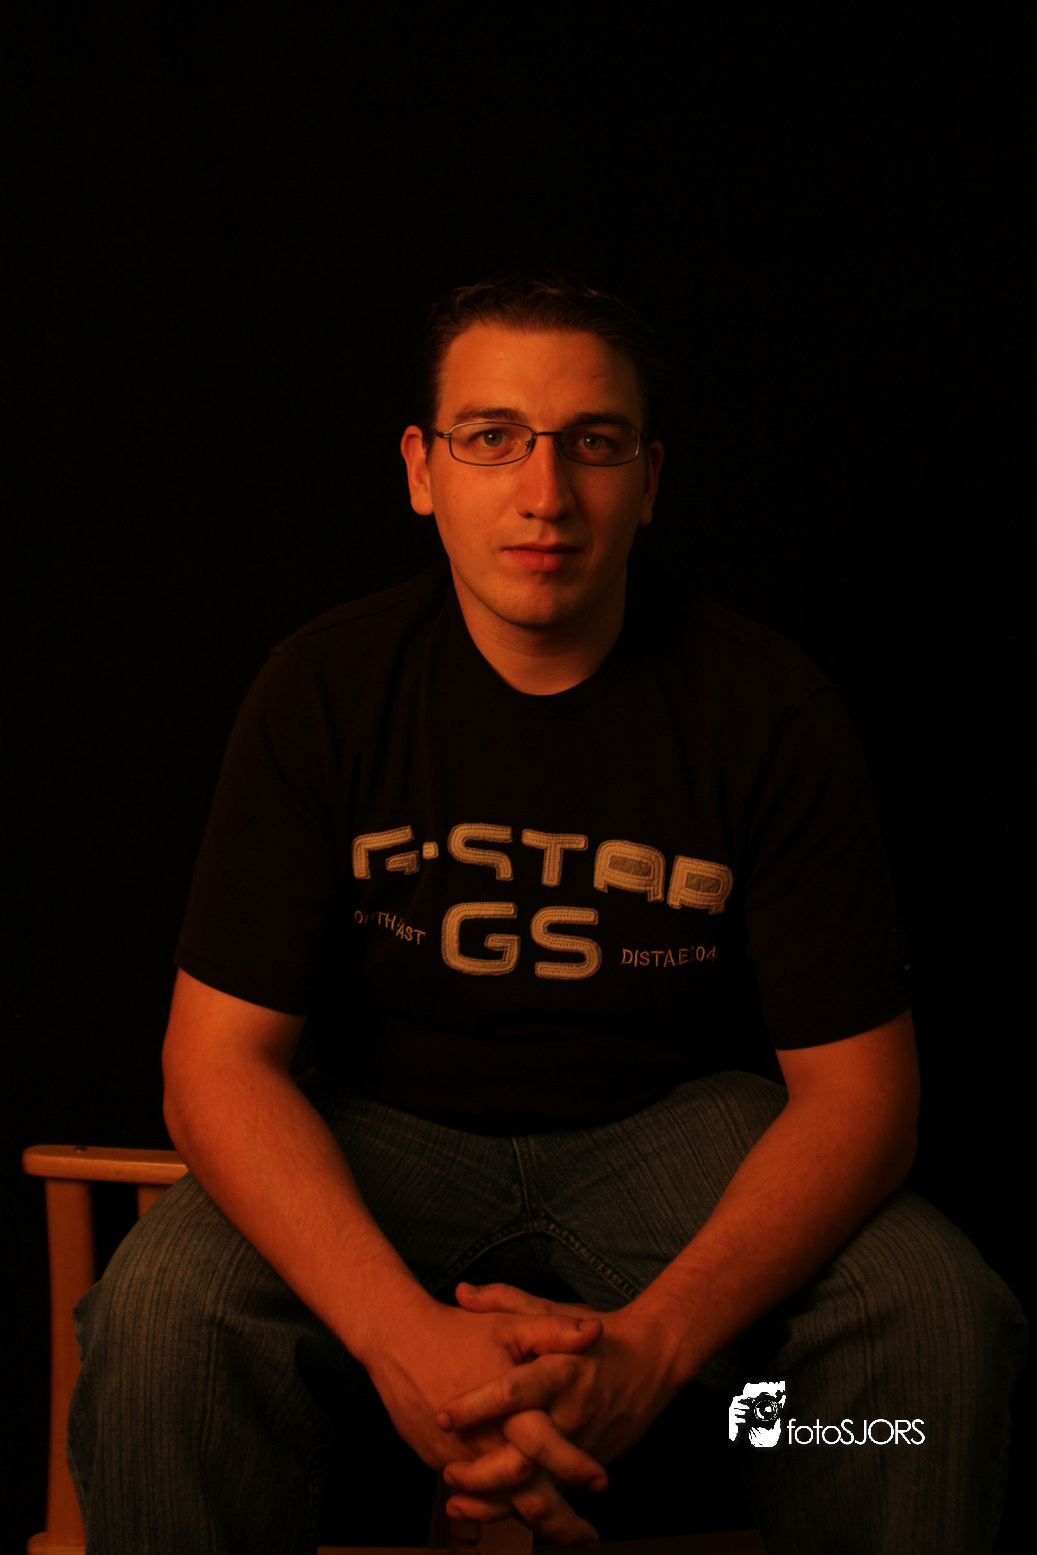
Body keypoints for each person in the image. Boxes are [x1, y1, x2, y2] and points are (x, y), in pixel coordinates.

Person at [68, 270, 1025, 1554]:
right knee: (160, 1320)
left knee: (931, 1327)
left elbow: (862, 1098)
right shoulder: (323, 688)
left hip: (674, 1127)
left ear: (648, 478)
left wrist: (653, 1349)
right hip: (382, 1123)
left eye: (592, 442)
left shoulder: (765, 708)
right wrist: (405, 1344)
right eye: (491, 437)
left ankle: (771, 1436)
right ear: (421, 471)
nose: (544, 492)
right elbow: (214, 1064)